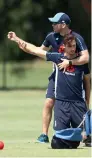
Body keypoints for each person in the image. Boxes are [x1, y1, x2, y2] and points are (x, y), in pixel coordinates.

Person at [7, 32, 90, 148]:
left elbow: (87, 81)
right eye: (70, 46)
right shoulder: (57, 58)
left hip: (78, 103)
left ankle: (80, 136)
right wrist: (16, 39)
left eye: (74, 46)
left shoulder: (82, 62)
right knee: (56, 143)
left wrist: (87, 101)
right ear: (64, 46)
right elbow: (35, 50)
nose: (73, 49)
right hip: (62, 104)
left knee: (87, 137)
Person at [37, 12, 89, 143]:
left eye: (55, 23)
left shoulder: (77, 38)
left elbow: (86, 58)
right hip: (57, 75)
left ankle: (84, 134)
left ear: (63, 24)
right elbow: (40, 51)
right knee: (49, 102)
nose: (53, 25)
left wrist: (69, 62)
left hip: (74, 76)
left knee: (79, 106)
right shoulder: (51, 36)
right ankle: (44, 134)